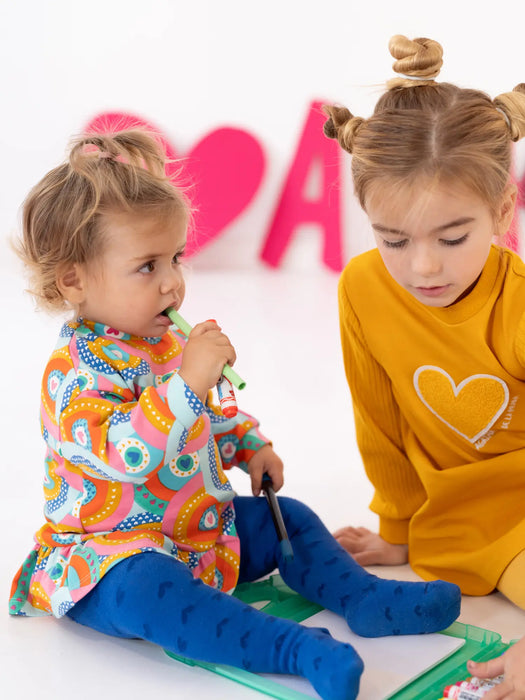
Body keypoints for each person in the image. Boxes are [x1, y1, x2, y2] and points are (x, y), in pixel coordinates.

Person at [8, 128, 460, 700]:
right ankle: (293, 648)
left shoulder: (166, 342)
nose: (173, 280)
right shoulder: (74, 372)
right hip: (106, 558)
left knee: (286, 517)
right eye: (147, 267)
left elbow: (213, 416)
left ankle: (362, 598)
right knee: (151, 589)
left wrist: (249, 446)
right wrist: (190, 380)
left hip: (194, 531)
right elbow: (130, 456)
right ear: (73, 279)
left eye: (175, 258)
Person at [323, 33, 525, 694]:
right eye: (393, 239)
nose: (423, 266)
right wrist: (398, 526)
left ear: (500, 212)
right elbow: (376, 416)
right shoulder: (360, 288)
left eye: (451, 236)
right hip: (449, 517)